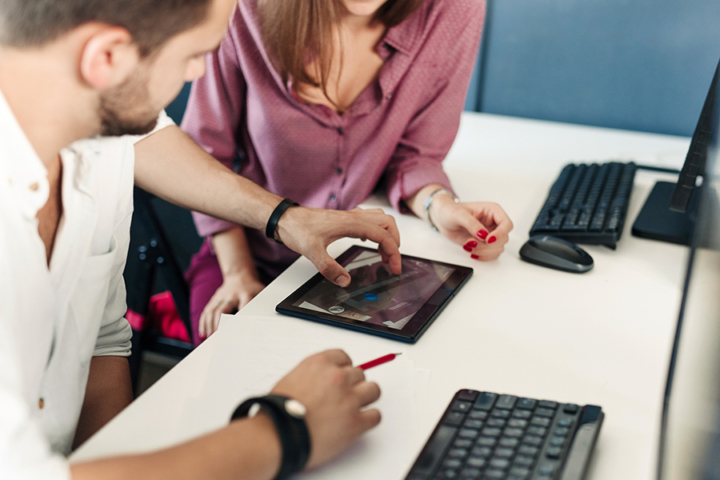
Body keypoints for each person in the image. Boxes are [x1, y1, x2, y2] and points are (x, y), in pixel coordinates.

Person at [0, 0, 402, 478]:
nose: (196, 75)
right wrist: (286, 429)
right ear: (106, 58)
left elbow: (102, 342)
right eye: (194, 54)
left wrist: (285, 217)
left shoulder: (100, 149)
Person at [182, 0, 514, 344]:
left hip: (362, 264)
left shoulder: (451, 10)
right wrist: (238, 271)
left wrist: (440, 205)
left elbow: (416, 156)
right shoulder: (244, 10)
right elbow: (203, 156)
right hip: (246, 250)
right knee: (226, 365)